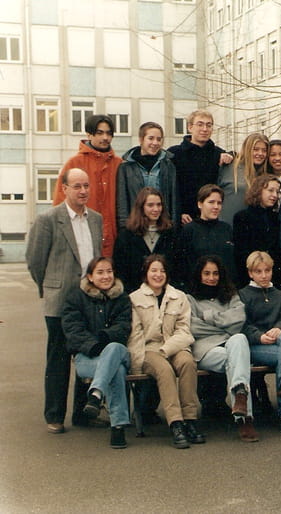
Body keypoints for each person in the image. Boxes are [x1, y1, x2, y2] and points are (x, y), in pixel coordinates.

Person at [27, 168, 103, 434]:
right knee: (58, 360)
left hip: (89, 300)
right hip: (59, 301)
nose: (83, 191)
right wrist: (50, 288)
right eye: (77, 186)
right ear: (64, 189)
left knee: (86, 356)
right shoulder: (48, 219)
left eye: (86, 186)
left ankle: (83, 415)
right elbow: (35, 261)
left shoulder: (96, 219)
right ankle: (55, 415)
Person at [128, 254, 205, 448]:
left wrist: (167, 349)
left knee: (187, 363)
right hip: (149, 350)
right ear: (146, 273)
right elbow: (135, 335)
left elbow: (184, 330)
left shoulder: (179, 297)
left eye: (162, 271)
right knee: (164, 370)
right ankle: (176, 423)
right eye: (153, 270)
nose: (158, 275)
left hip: (175, 345)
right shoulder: (135, 299)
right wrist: (136, 364)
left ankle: (190, 419)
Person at [61, 257, 131, 448]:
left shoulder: (122, 297)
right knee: (116, 370)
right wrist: (94, 346)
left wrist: (104, 339)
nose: (106, 276)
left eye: (109, 271)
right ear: (90, 277)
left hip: (117, 352)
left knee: (114, 349)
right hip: (87, 357)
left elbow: (123, 327)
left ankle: (96, 393)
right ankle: (118, 427)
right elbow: (73, 330)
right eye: (100, 272)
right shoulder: (76, 297)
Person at [187, 255, 258, 442]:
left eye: (215, 273)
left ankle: (241, 398)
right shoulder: (190, 299)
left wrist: (208, 317)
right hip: (205, 349)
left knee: (240, 338)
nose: (212, 278)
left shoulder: (231, 296)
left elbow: (239, 320)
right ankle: (245, 418)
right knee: (237, 357)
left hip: (230, 343)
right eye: (207, 273)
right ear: (199, 275)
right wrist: (224, 324)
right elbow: (193, 327)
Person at [239, 251, 281, 434]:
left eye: (267, 270)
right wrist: (259, 336)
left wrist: (279, 328)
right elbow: (242, 325)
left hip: (279, 344)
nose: (264, 275)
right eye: (258, 272)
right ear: (250, 273)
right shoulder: (243, 295)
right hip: (255, 347)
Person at [52, 115, 121, 256]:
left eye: (109, 133)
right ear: (89, 135)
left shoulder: (119, 164)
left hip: (113, 238)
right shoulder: (74, 163)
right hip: (81, 237)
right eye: (100, 133)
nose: (105, 137)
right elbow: (60, 201)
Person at [169, 109, 234, 225]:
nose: (205, 129)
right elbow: (170, 188)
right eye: (200, 124)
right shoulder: (174, 154)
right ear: (190, 127)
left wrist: (230, 155)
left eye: (209, 125)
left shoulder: (218, 154)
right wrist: (179, 213)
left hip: (211, 219)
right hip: (184, 220)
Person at [116, 122, 179, 231]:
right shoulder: (126, 167)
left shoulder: (168, 165)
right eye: (151, 138)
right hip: (136, 226)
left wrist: (173, 226)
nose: (155, 143)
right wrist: (124, 228)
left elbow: (173, 199)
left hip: (161, 226)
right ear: (141, 139)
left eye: (159, 139)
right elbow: (122, 201)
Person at [113, 187, 177, 293]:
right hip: (134, 294)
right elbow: (120, 271)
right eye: (150, 205)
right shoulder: (126, 235)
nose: (156, 209)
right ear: (141, 207)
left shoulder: (171, 233)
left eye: (159, 205)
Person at [175, 184, 237, 286]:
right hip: (197, 289)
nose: (216, 207)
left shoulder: (226, 229)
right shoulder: (189, 230)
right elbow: (182, 265)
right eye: (211, 202)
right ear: (200, 204)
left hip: (224, 289)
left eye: (219, 203)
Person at [233, 175, 281, 288]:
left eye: (277, 192)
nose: (275, 195)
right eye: (270, 190)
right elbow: (241, 251)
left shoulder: (277, 218)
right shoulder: (242, 217)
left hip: (273, 278)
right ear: (258, 190)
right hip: (249, 277)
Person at [219, 133, 268, 226]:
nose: (260, 153)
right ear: (247, 149)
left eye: (264, 150)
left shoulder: (263, 175)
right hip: (224, 227)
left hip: (249, 230)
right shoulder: (229, 167)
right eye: (255, 149)